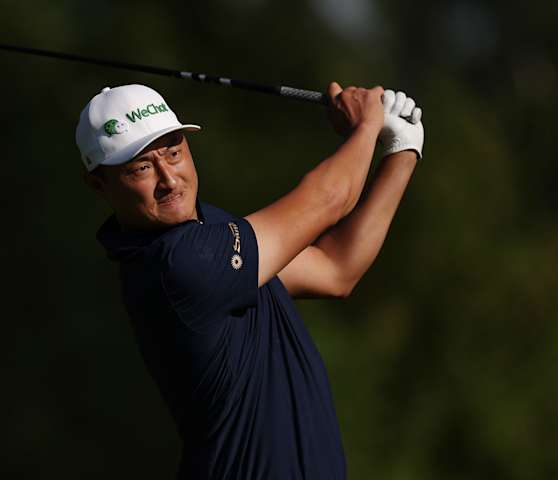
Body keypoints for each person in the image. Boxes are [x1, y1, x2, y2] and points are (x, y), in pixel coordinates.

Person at [76, 83, 424, 479]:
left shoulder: (214, 235)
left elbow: (335, 268)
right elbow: (330, 199)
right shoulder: (179, 264)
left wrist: (402, 150)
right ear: (98, 184)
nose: (168, 179)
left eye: (173, 153)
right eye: (140, 167)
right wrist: (367, 124)